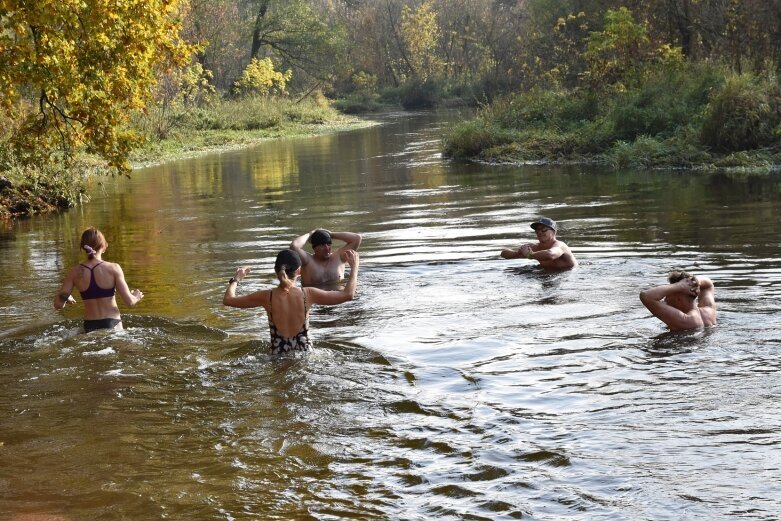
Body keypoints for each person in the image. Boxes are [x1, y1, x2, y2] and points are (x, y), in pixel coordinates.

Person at [223, 248, 359, 354]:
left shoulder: (266, 297)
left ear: (276, 271)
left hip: (277, 356)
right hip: (305, 356)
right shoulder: (308, 294)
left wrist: (236, 279)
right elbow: (348, 294)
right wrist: (354, 267)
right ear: (299, 271)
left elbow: (228, 300)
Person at [53, 227, 144, 332]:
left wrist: (66, 297)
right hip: (112, 324)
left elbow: (58, 305)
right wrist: (136, 297)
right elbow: (130, 302)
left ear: (83, 247)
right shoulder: (114, 268)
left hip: (89, 326)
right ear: (104, 246)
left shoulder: (74, 272)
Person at [640, 270, 716, 330]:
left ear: (678, 298)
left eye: (668, 293)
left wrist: (680, 286)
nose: (665, 299)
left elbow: (646, 296)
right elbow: (708, 285)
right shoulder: (709, 311)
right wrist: (694, 282)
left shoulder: (685, 319)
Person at [289, 228, 362, 286]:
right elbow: (294, 246)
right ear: (314, 247)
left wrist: (331, 234)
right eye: (322, 245)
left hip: (339, 301)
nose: (327, 248)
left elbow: (357, 238)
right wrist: (310, 234)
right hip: (315, 303)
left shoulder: (339, 258)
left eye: (329, 244)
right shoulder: (307, 261)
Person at [500, 217, 578, 270]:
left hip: (569, 275)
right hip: (547, 275)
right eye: (537, 231)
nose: (540, 232)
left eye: (543, 229)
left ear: (554, 232)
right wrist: (517, 253)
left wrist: (530, 255)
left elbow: (551, 254)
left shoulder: (561, 245)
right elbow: (504, 253)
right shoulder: (535, 247)